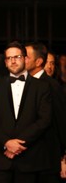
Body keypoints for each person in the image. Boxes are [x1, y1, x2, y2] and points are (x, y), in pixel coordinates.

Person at [0, 41, 52, 183]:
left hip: (30, 160)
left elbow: (44, 120)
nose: (12, 61)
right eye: (8, 58)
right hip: (0, 161)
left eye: (17, 57)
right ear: (5, 62)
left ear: (25, 59)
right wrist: (6, 142)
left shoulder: (42, 87)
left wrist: (17, 145)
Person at [25, 42, 66, 183]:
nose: (22, 59)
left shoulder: (52, 85)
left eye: (26, 57)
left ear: (38, 61)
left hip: (47, 159)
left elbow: (61, 120)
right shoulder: (23, 83)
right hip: (27, 159)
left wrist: (64, 156)